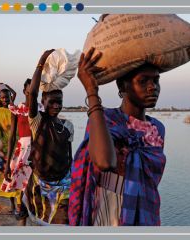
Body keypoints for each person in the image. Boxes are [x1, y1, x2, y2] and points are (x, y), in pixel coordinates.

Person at [69, 47, 166, 226]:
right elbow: (105, 162)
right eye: (143, 81)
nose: (153, 87)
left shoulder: (157, 129)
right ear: (122, 86)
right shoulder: (105, 120)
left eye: (156, 80)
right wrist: (91, 91)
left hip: (146, 213)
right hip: (108, 209)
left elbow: (149, 181)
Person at [24, 49, 74, 225]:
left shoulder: (68, 126)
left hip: (65, 182)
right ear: (42, 103)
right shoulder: (37, 122)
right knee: (42, 221)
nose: (56, 105)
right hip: (42, 183)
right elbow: (32, 93)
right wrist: (41, 61)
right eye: (51, 101)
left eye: (59, 102)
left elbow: (69, 153)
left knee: (63, 220)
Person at [2, 79, 41, 224]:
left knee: (35, 188)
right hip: (22, 150)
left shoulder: (41, 108)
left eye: (35, 91)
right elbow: (12, 137)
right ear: (25, 91)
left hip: (37, 150)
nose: (32, 93)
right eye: (30, 90)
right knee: (22, 188)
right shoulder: (17, 109)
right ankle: (22, 224)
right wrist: (7, 164)